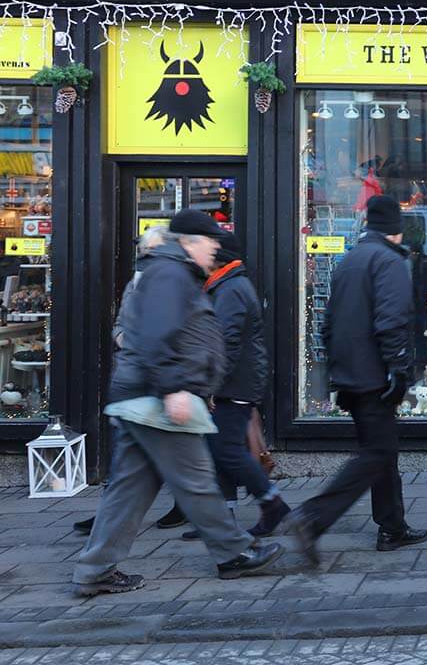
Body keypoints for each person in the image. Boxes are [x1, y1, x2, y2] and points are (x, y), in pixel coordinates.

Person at [72, 210, 283, 596]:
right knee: (198, 480)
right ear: (189, 241)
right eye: (210, 242)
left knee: (129, 490)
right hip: (158, 399)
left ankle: (94, 569)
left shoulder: (171, 271)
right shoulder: (170, 273)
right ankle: (233, 553)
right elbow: (156, 335)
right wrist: (174, 389)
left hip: (143, 397)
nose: (215, 249)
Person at [286, 195, 427, 566]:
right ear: (395, 230)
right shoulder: (390, 262)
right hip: (375, 376)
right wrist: (398, 369)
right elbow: (391, 320)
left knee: (382, 450)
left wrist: (337, 372)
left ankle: (392, 526)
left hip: (351, 374)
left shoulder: (349, 260)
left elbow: (328, 322)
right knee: (376, 453)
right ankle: (313, 518)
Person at [74, 225, 185, 535]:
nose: (145, 256)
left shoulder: (177, 282)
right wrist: (127, 339)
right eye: (144, 251)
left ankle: (207, 522)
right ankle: (106, 526)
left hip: (164, 386)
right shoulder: (135, 283)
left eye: (151, 250)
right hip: (137, 384)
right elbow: (120, 325)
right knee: (130, 465)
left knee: (181, 465)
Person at [181, 230, 290, 540]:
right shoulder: (222, 286)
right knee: (219, 450)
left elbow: (226, 342)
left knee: (227, 450)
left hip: (235, 384)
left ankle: (273, 505)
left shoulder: (230, 289)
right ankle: (223, 518)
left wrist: (212, 386)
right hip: (232, 382)